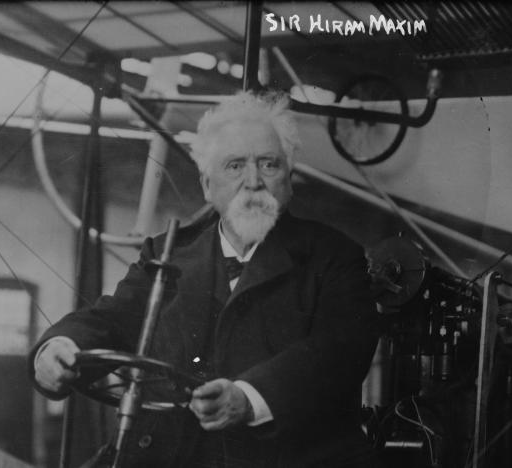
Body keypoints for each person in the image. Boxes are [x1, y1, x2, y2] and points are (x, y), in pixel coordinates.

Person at [30, 90, 380, 467]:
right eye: (234, 166)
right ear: (206, 185)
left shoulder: (335, 257)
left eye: (268, 164)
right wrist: (58, 348)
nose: (253, 181)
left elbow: (337, 353)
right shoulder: (167, 253)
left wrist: (248, 398)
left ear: (289, 180)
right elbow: (112, 317)